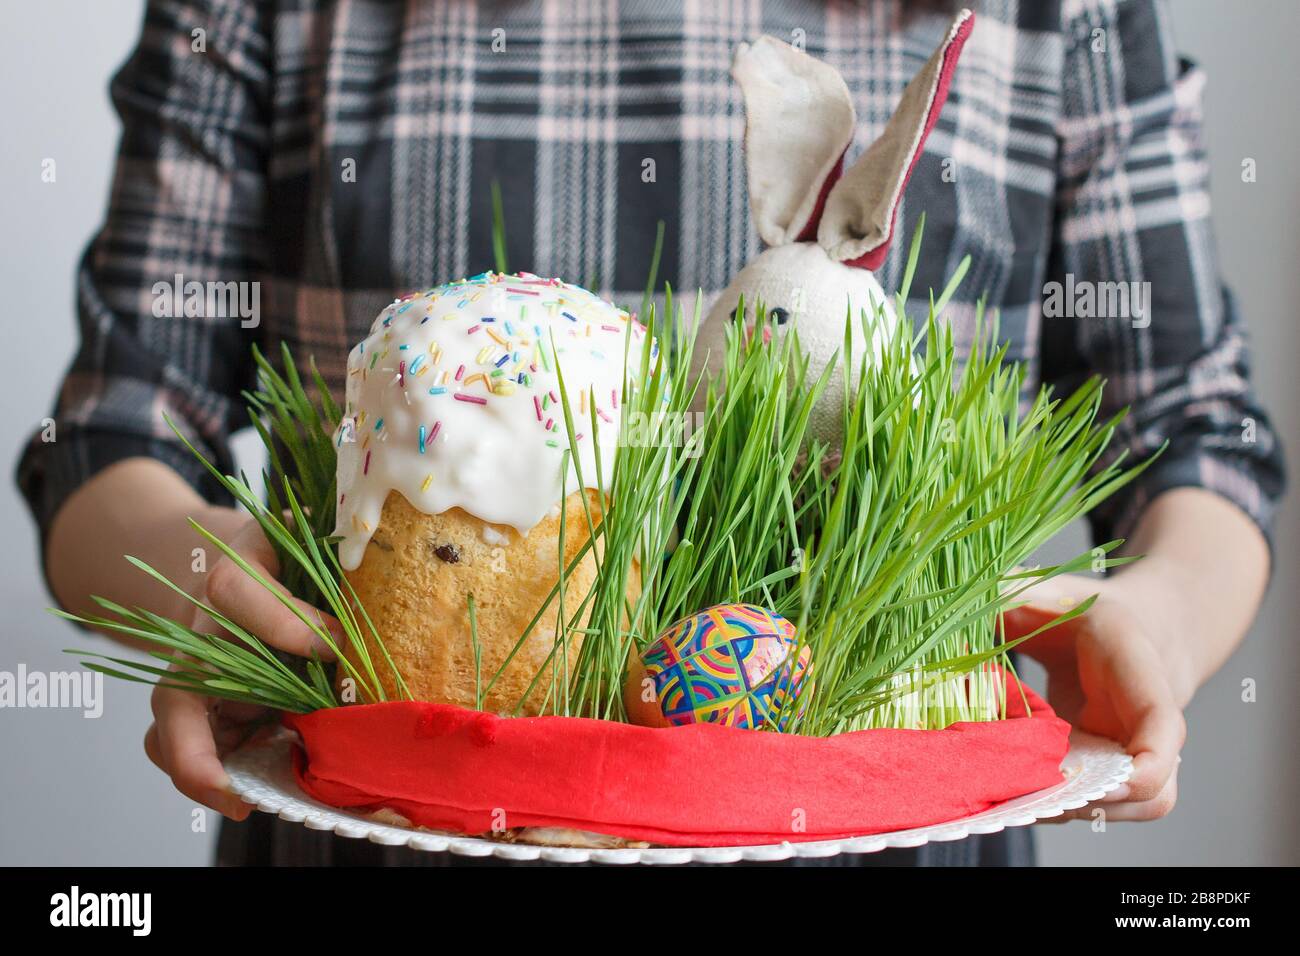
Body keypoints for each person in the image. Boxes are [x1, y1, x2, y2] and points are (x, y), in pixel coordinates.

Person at [18, 0, 1284, 867]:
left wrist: (1158, 622)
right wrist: (192, 571)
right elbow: (112, 420)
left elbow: (1197, 422)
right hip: (375, 830)